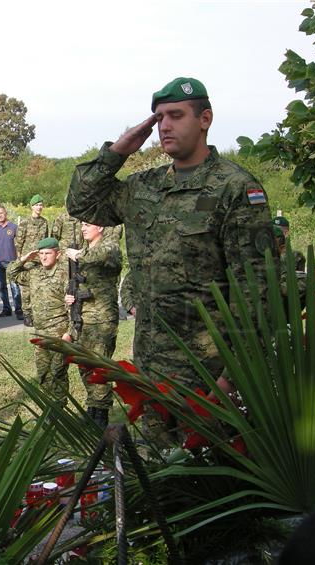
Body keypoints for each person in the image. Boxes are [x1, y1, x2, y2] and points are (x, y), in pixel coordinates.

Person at [67, 76, 278, 401]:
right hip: (151, 368)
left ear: (204, 119)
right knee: (156, 454)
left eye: (176, 115)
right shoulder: (143, 187)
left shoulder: (235, 188)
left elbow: (258, 293)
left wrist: (230, 381)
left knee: (208, 454)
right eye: (158, 118)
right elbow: (81, 203)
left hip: (208, 374)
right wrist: (117, 151)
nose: (164, 125)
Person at [63, 222, 123, 426]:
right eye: (81, 225)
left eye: (87, 224)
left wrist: (77, 255)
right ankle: (92, 407)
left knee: (100, 366)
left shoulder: (109, 246)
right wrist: (70, 297)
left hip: (102, 319)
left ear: (101, 227)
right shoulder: (85, 250)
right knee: (85, 366)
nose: (82, 228)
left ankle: (102, 414)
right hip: (84, 317)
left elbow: (102, 256)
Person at [8, 237, 70, 402]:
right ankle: (49, 409)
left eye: (47, 253)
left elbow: (73, 305)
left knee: (58, 372)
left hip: (59, 330)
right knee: (43, 372)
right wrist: (24, 259)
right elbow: (11, 273)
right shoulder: (34, 273)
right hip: (40, 331)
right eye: (41, 253)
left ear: (58, 254)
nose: (43, 257)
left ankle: (60, 410)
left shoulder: (65, 274)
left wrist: (69, 332)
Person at [14, 194, 49, 326]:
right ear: (32, 206)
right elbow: (18, 243)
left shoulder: (44, 222)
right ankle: (27, 314)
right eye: (37, 205)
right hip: (27, 261)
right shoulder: (24, 223)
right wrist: (20, 261)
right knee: (26, 289)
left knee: (39, 288)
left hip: (41, 260)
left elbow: (45, 241)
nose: (39, 207)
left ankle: (38, 313)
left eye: (41, 205)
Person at [0, 205, 22, 318]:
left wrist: (19, 261)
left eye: (1, 213)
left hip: (11, 262)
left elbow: (18, 246)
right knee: (1, 288)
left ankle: (18, 309)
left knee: (14, 286)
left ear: (6, 213)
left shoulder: (13, 227)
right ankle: (6, 309)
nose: (0, 215)